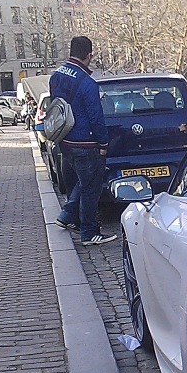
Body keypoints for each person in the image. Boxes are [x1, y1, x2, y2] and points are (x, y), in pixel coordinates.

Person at [51, 35, 117, 246]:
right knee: (91, 187)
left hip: (65, 139)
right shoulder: (87, 83)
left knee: (83, 180)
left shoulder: (56, 76)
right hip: (84, 142)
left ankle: (67, 215)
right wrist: (103, 143)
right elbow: (95, 117)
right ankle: (89, 232)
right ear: (89, 55)